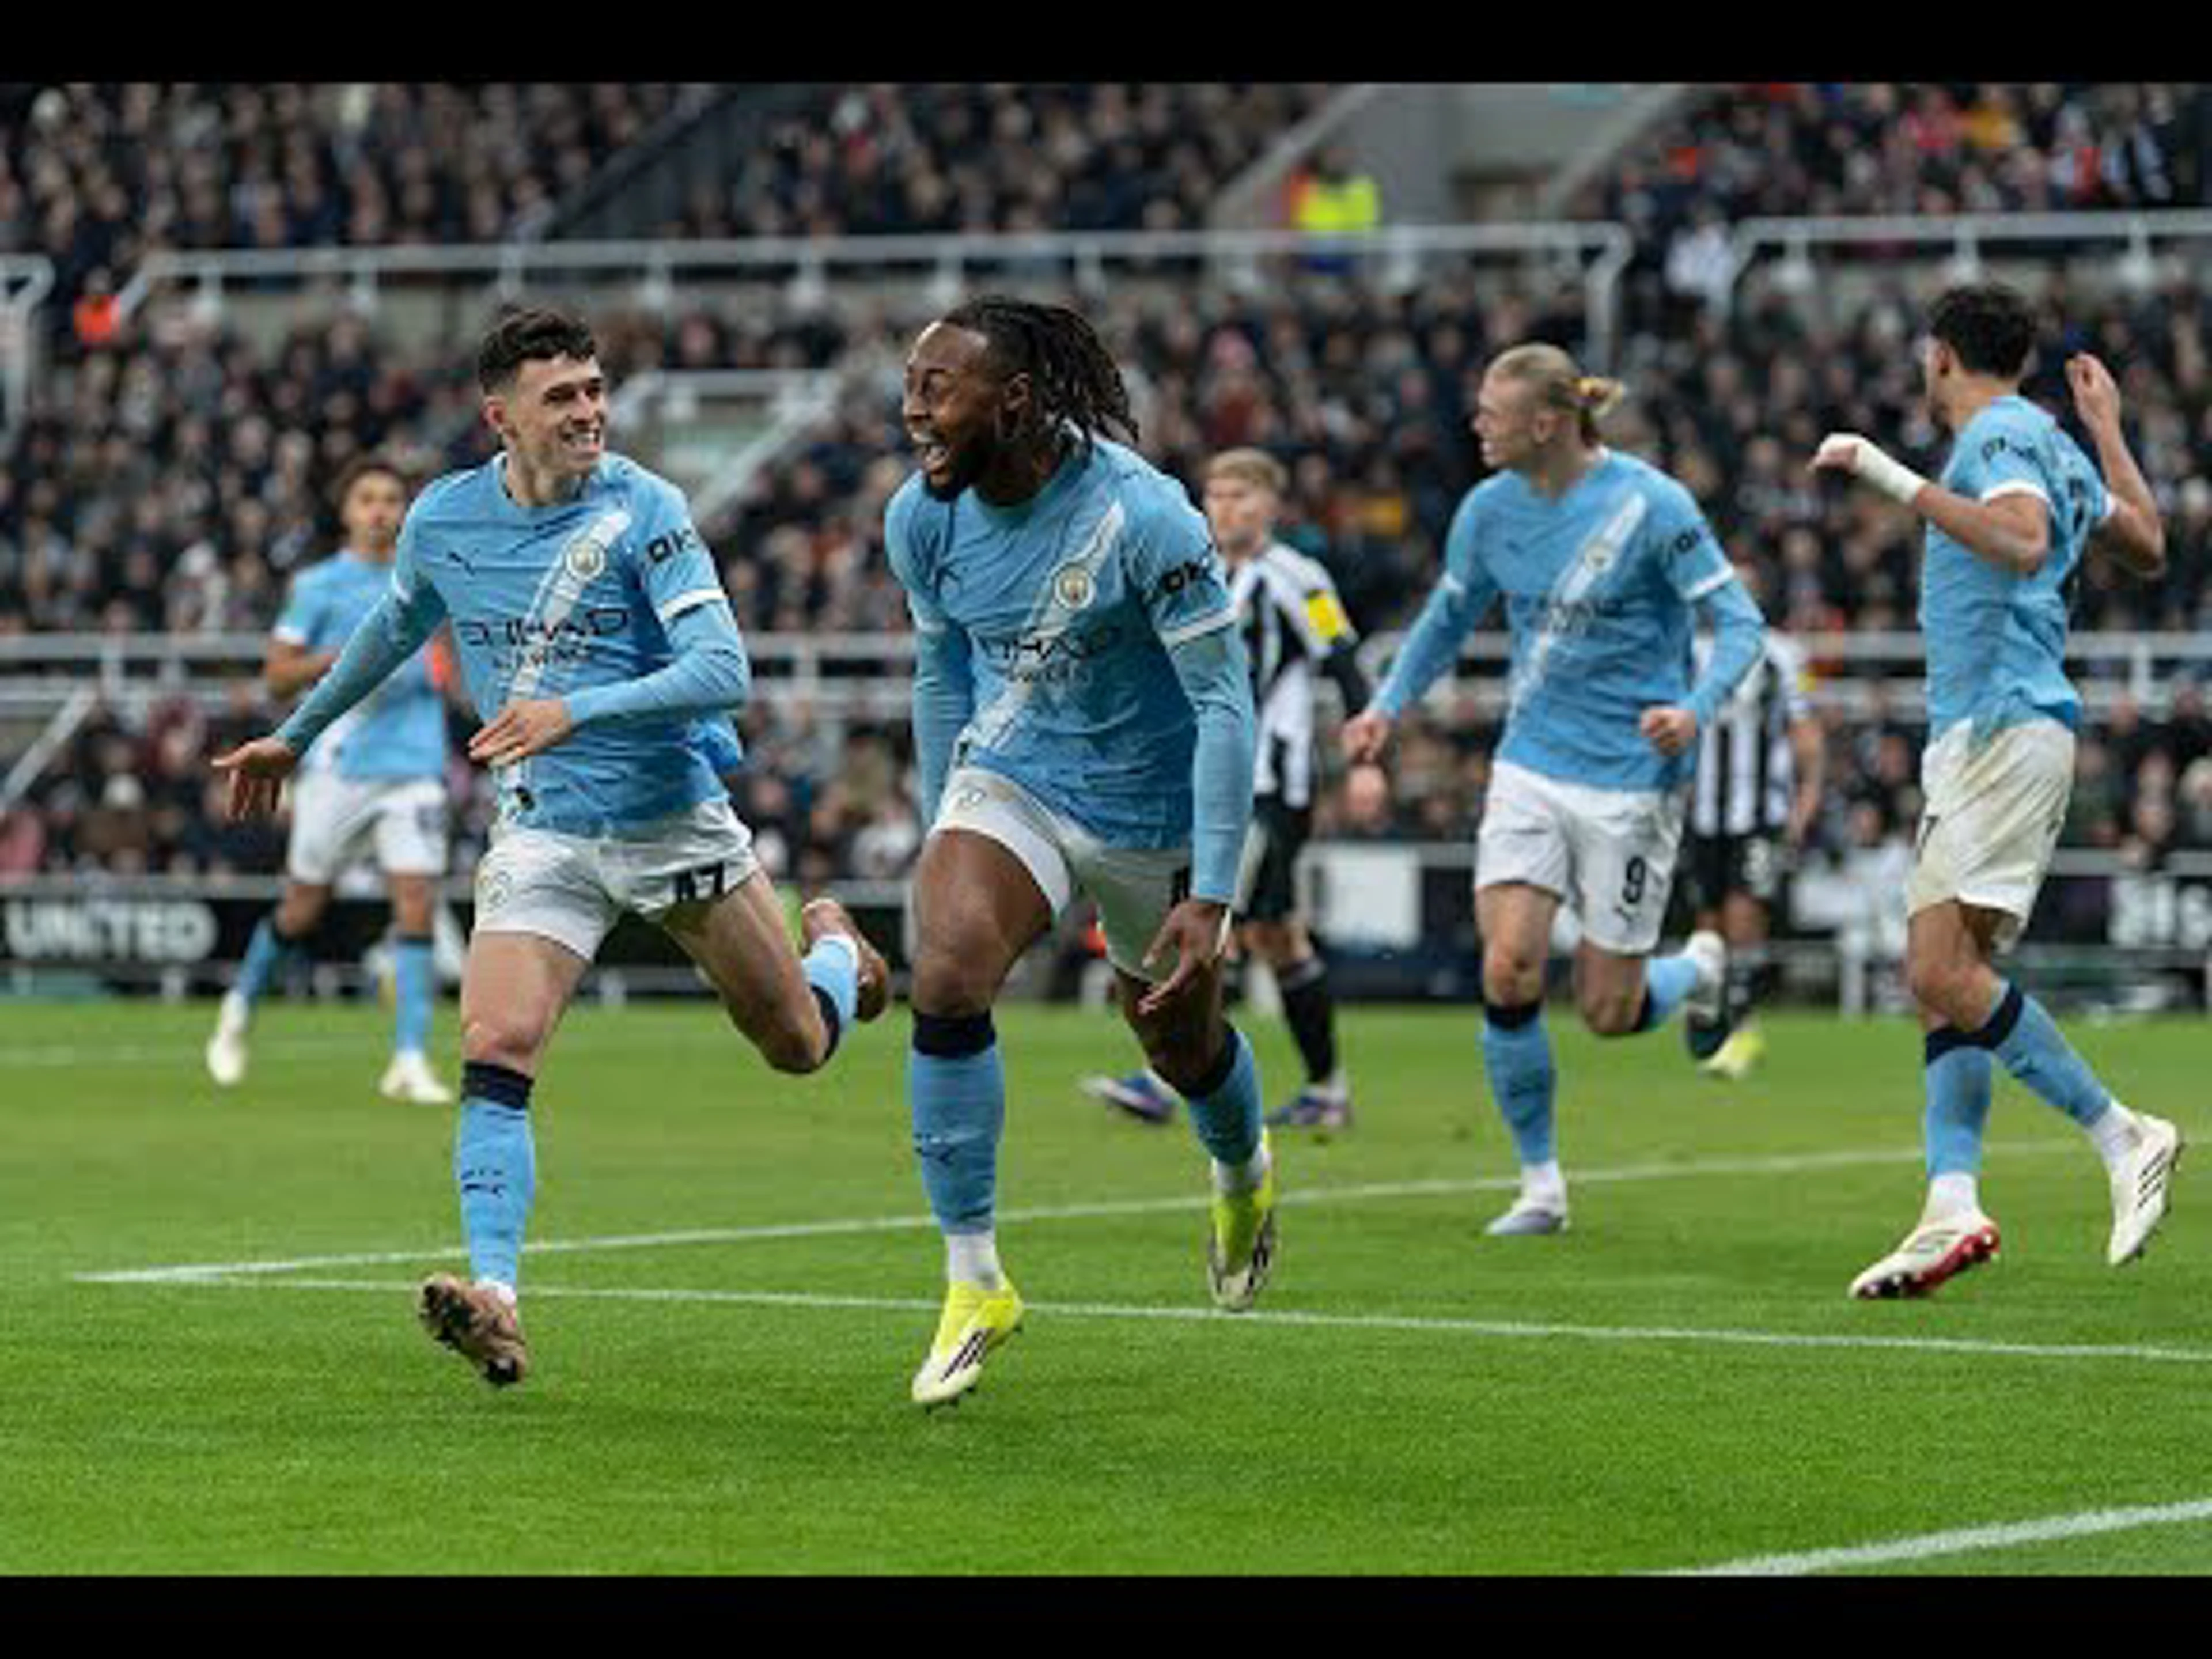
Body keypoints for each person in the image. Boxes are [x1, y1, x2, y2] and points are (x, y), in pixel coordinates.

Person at [211, 305, 888, 1387]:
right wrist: (293, 738)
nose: (589, 412)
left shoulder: (646, 509)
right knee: (497, 1042)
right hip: (545, 829)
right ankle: (498, 1297)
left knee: (797, 1044)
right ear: (501, 417)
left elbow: (725, 672)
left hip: (671, 818)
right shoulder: (444, 520)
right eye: (561, 398)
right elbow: (393, 629)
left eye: (594, 390)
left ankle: (843, 963)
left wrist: (574, 710)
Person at [887, 294, 1275, 1408]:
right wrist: (941, 829)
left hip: (1152, 812)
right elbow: (938, 672)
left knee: (1178, 1047)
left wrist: (1213, 891)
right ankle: (974, 1282)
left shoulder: (1147, 516)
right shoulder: (920, 518)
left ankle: (1242, 1171)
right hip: (1015, 775)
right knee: (950, 964)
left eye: (937, 391)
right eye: (910, 388)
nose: (915, 414)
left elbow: (1223, 703)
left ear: (1014, 402)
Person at [1340, 342, 1767, 1237]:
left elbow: (1739, 624)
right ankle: (1541, 1184)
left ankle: (1701, 970)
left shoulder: (1653, 505)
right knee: (1510, 964)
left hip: (1632, 779)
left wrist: (1694, 708)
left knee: (1609, 1012)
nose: (1477, 427)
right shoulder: (1487, 511)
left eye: (1492, 414)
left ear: (1547, 423)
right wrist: (1385, 707)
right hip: (1530, 762)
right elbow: (1446, 620)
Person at [1809, 280, 2179, 1300]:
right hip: (1992, 731)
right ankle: (1950, 1203)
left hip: (2001, 727)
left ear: (1938, 357)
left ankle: (2123, 1132)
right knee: (1944, 974)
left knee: (1939, 973)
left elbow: (2018, 542)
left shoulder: (2001, 438)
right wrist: (2106, 428)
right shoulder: (2054, 440)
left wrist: (1886, 475)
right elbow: (2147, 545)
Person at [1082, 446, 1372, 1132]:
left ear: (1272, 504)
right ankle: (1327, 1089)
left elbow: (1344, 656)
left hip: (1270, 782)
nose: (1226, 507)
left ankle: (1163, 1081)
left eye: (1241, 494)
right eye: (1216, 494)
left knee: (1205, 921)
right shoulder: (1192, 573)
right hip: (1200, 778)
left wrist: (1364, 755)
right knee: (1278, 938)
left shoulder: (1299, 578)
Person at [205, 455, 460, 1105]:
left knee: (416, 905)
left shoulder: (432, 582)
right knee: (301, 910)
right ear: (347, 511)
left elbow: (452, 672)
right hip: (340, 769)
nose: (380, 511)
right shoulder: (320, 586)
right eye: (367, 499)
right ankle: (240, 1005)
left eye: (391, 499)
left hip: (416, 769)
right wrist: (352, 654)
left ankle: (407, 1057)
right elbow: (276, 675)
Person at [1678, 566, 1827, 1080]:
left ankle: (1742, 1031)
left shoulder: (1781, 655)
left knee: (1745, 921)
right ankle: (1711, 1023)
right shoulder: (1689, 653)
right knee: (1707, 929)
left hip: (1759, 814)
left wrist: (1805, 804)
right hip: (1700, 816)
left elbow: (1808, 736)